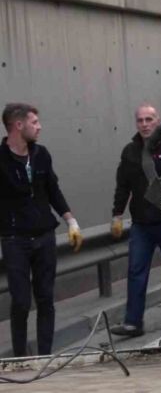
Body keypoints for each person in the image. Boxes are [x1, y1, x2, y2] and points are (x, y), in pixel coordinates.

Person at [0, 103, 83, 356]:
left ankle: (45, 356)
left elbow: (53, 190)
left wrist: (71, 221)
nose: (39, 127)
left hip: (44, 237)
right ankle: (20, 359)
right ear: (18, 125)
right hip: (15, 240)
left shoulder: (41, 154)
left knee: (46, 299)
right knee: (21, 302)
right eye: (34, 122)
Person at [110, 103, 161, 337]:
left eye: (149, 119)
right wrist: (117, 214)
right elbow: (123, 186)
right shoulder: (130, 152)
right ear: (136, 124)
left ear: (159, 121)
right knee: (136, 271)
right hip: (141, 225)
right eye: (141, 120)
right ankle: (133, 322)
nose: (145, 124)